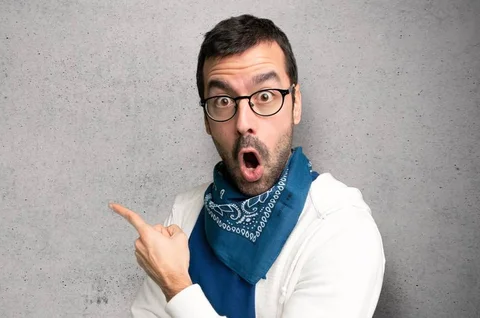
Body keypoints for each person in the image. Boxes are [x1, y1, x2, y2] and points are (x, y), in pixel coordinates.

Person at [110, 14, 385, 318]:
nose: (243, 123)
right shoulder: (185, 214)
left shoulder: (339, 229)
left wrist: (177, 287)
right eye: (223, 101)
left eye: (265, 96)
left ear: (295, 104)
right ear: (206, 119)